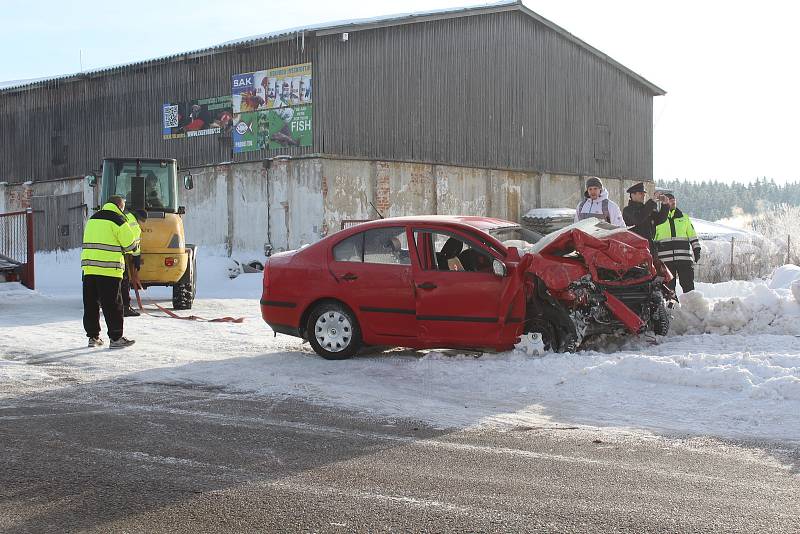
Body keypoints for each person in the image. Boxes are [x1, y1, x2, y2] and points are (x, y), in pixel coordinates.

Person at [81, 195, 137, 349]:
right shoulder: (118, 220)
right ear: (119, 206)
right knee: (112, 305)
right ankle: (116, 338)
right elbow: (130, 246)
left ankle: (93, 337)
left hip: (89, 269)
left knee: (91, 304)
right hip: (109, 270)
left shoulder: (93, 219)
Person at [655, 193, 701, 296]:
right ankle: (671, 310)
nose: (672, 201)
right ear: (664, 202)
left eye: (673, 199)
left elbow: (692, 235)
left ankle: (691, 308)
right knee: (668, 289)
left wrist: (696, 249)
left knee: (688, 286)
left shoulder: (684, 217)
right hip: (665, 261)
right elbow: (653, 238)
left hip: (684, 259)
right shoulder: (658, 219)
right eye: (669, 199)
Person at [622, 182, 670, 248]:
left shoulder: (647, 208)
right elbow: (638, 219)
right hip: (635, 248)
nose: (643, 196)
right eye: (640, 193)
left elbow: (660, 219)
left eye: (644, 194)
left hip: (649, 246)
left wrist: (665, 205)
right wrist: (652, 202)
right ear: (632, 195)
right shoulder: (627, 210)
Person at [121, 209, 147, 317]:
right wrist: (137, 257)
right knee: (124, 280)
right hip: (120, 254)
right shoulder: (134, 224)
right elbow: (134, 243)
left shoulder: (125, 215)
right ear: (140, 219)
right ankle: (125, 307)